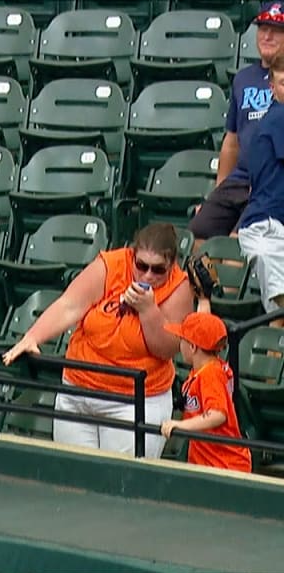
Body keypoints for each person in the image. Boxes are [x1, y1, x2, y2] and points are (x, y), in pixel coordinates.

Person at [2, 223, 193, 458]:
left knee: (120, 482)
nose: (147, 275)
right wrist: (33, 336)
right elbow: (69, 305)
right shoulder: (110, 265)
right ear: (132, 256)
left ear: (172, 265)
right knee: (74, 475)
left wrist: (148, 310)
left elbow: (165, 349)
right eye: (141, 266)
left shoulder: (180, 288)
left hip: (134, 402)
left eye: (158, 270)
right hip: (78, 389)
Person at [188, 2, 284, 249]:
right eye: (263, 28)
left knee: (235, 245)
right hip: (239, 180)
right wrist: (218, 194)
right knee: (197, 234)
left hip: (270, 184)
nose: (267, 35)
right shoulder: (243, 78)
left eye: (276, 29)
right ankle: (209, 288)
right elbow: (231, 143)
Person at [160, 312, 252, 473]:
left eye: (182, 339)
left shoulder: (211, 374)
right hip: (207, 460)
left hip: (225, 464)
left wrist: (181, 425)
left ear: (193, 347)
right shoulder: (202, 370)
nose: (180, 344)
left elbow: (217, 414)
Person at [237, 50, 284, 326]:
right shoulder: (278, 118)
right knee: (279, 319)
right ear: (272, 87)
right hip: (267, 230)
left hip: (269, 226)